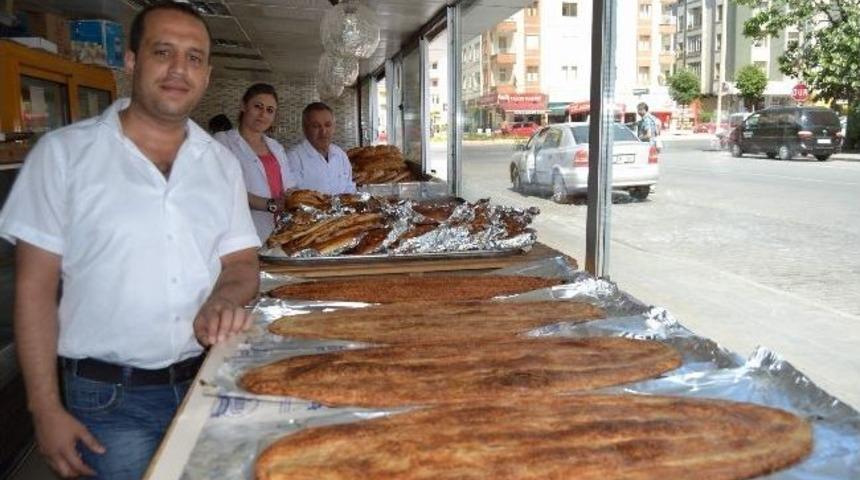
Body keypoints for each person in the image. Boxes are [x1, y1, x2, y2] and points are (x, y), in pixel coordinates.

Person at [0, 3, 260, 479]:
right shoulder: (64, 155)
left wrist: (222, 299)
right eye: (164, 52)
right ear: (133, 60)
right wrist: (44, 407)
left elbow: (242, 261)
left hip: (208, 379)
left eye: (194, 57)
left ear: (206, 74)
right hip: (109, 400)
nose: (179, 69)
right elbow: (34, 289)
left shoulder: (220, 164)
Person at [215, 83, 296, 241]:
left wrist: (296, 198)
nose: (263, 114)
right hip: (241, 232)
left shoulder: (276, 147)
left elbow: (289, 185)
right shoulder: (223, 141)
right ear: (243, 106)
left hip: (279, 231)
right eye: (258, 106)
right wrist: (271, 204)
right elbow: (225, 190)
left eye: (270, 110)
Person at [286, 102, 357, 194]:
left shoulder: (340, 155)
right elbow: (291, 197)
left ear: (334, 127)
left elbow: (350, 189)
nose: (323, 131)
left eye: (328, 125)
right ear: (305, 128)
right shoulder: (293, 158)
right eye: (316, 126)